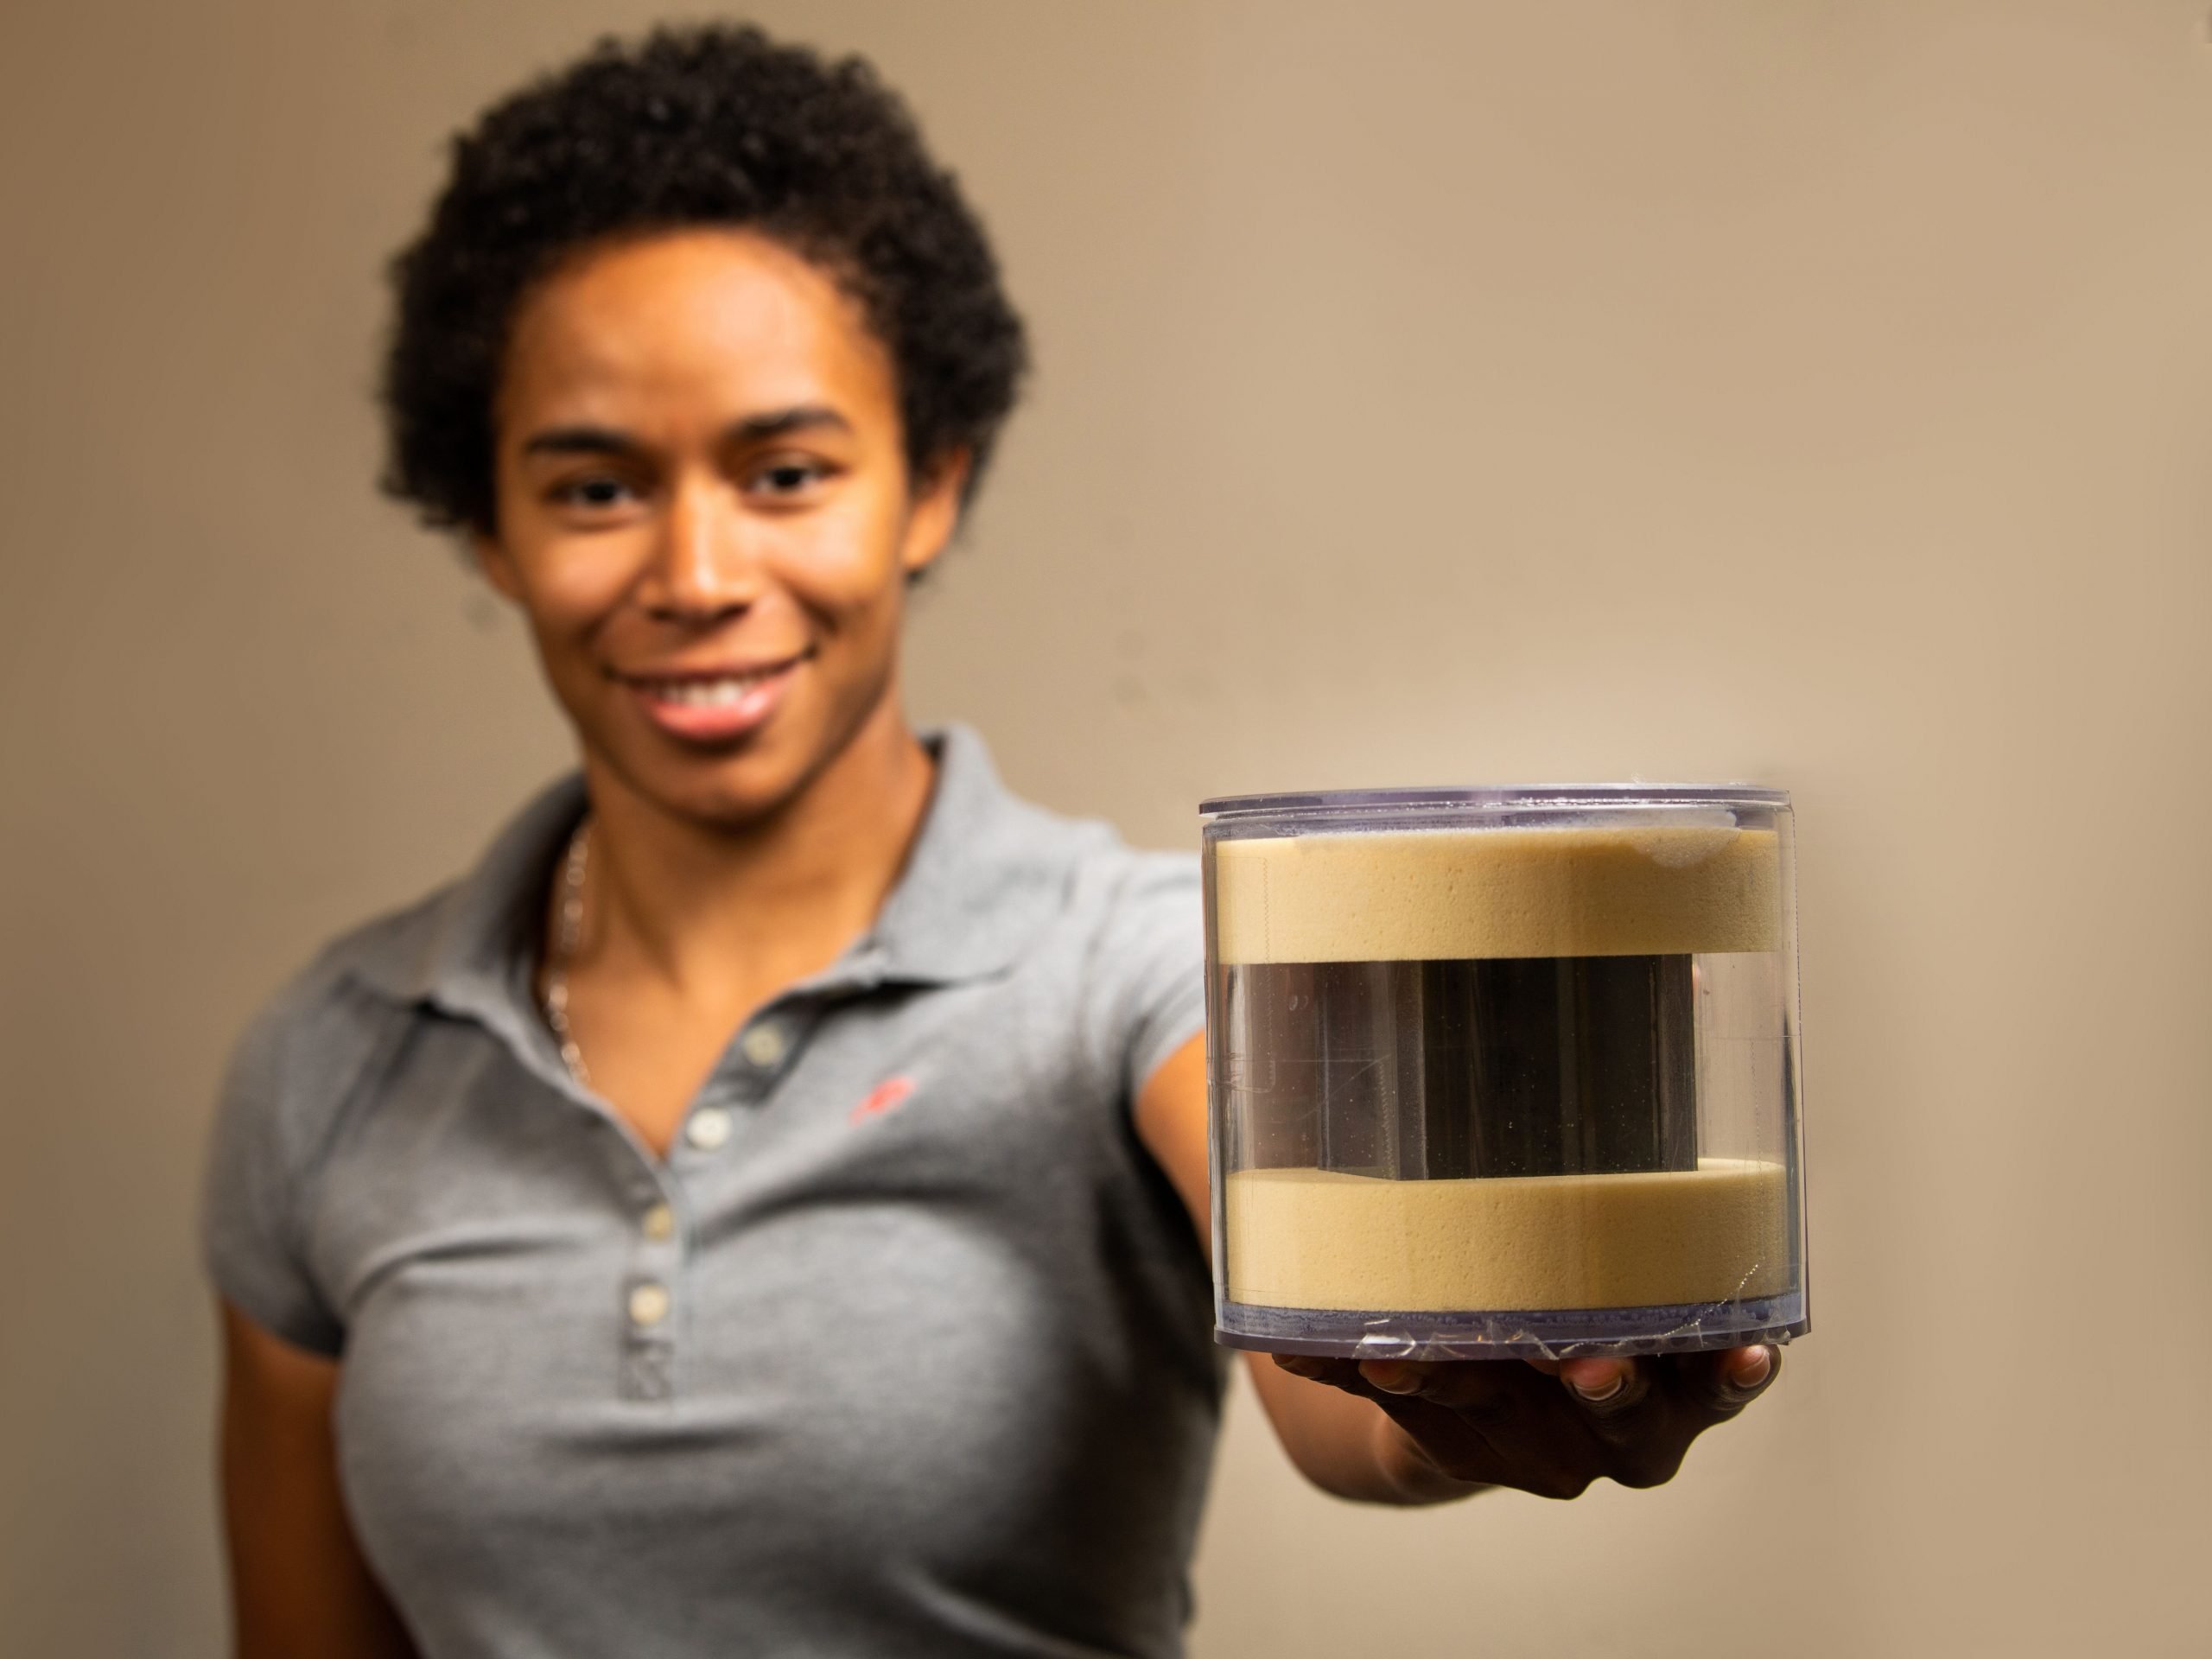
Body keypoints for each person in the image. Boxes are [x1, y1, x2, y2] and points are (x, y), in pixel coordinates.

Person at [202, 23, 1781, 1659]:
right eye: (595, 488)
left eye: (786, 470)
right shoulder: (337, 1064)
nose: (693, 569)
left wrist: (1457, 1400)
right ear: (492, 530)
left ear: (931, 481)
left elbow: (1347, 1393)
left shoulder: (1134, 969)